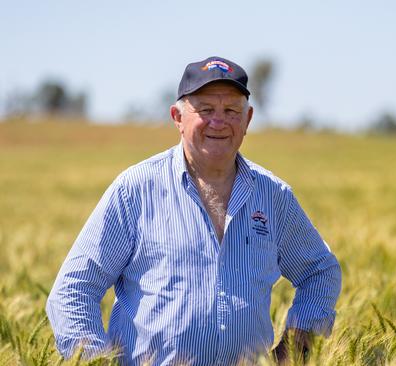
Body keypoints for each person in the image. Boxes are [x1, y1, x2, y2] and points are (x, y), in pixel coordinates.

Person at [46, 56, 342, 365]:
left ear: (247, 120)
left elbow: (319, 271)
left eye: (231, 111)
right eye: (205, 110)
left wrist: (297, 345)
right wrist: (94, 361)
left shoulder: (273, 196)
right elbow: (73, 291)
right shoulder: (136, 189)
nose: (218, 122)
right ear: (177, 117)